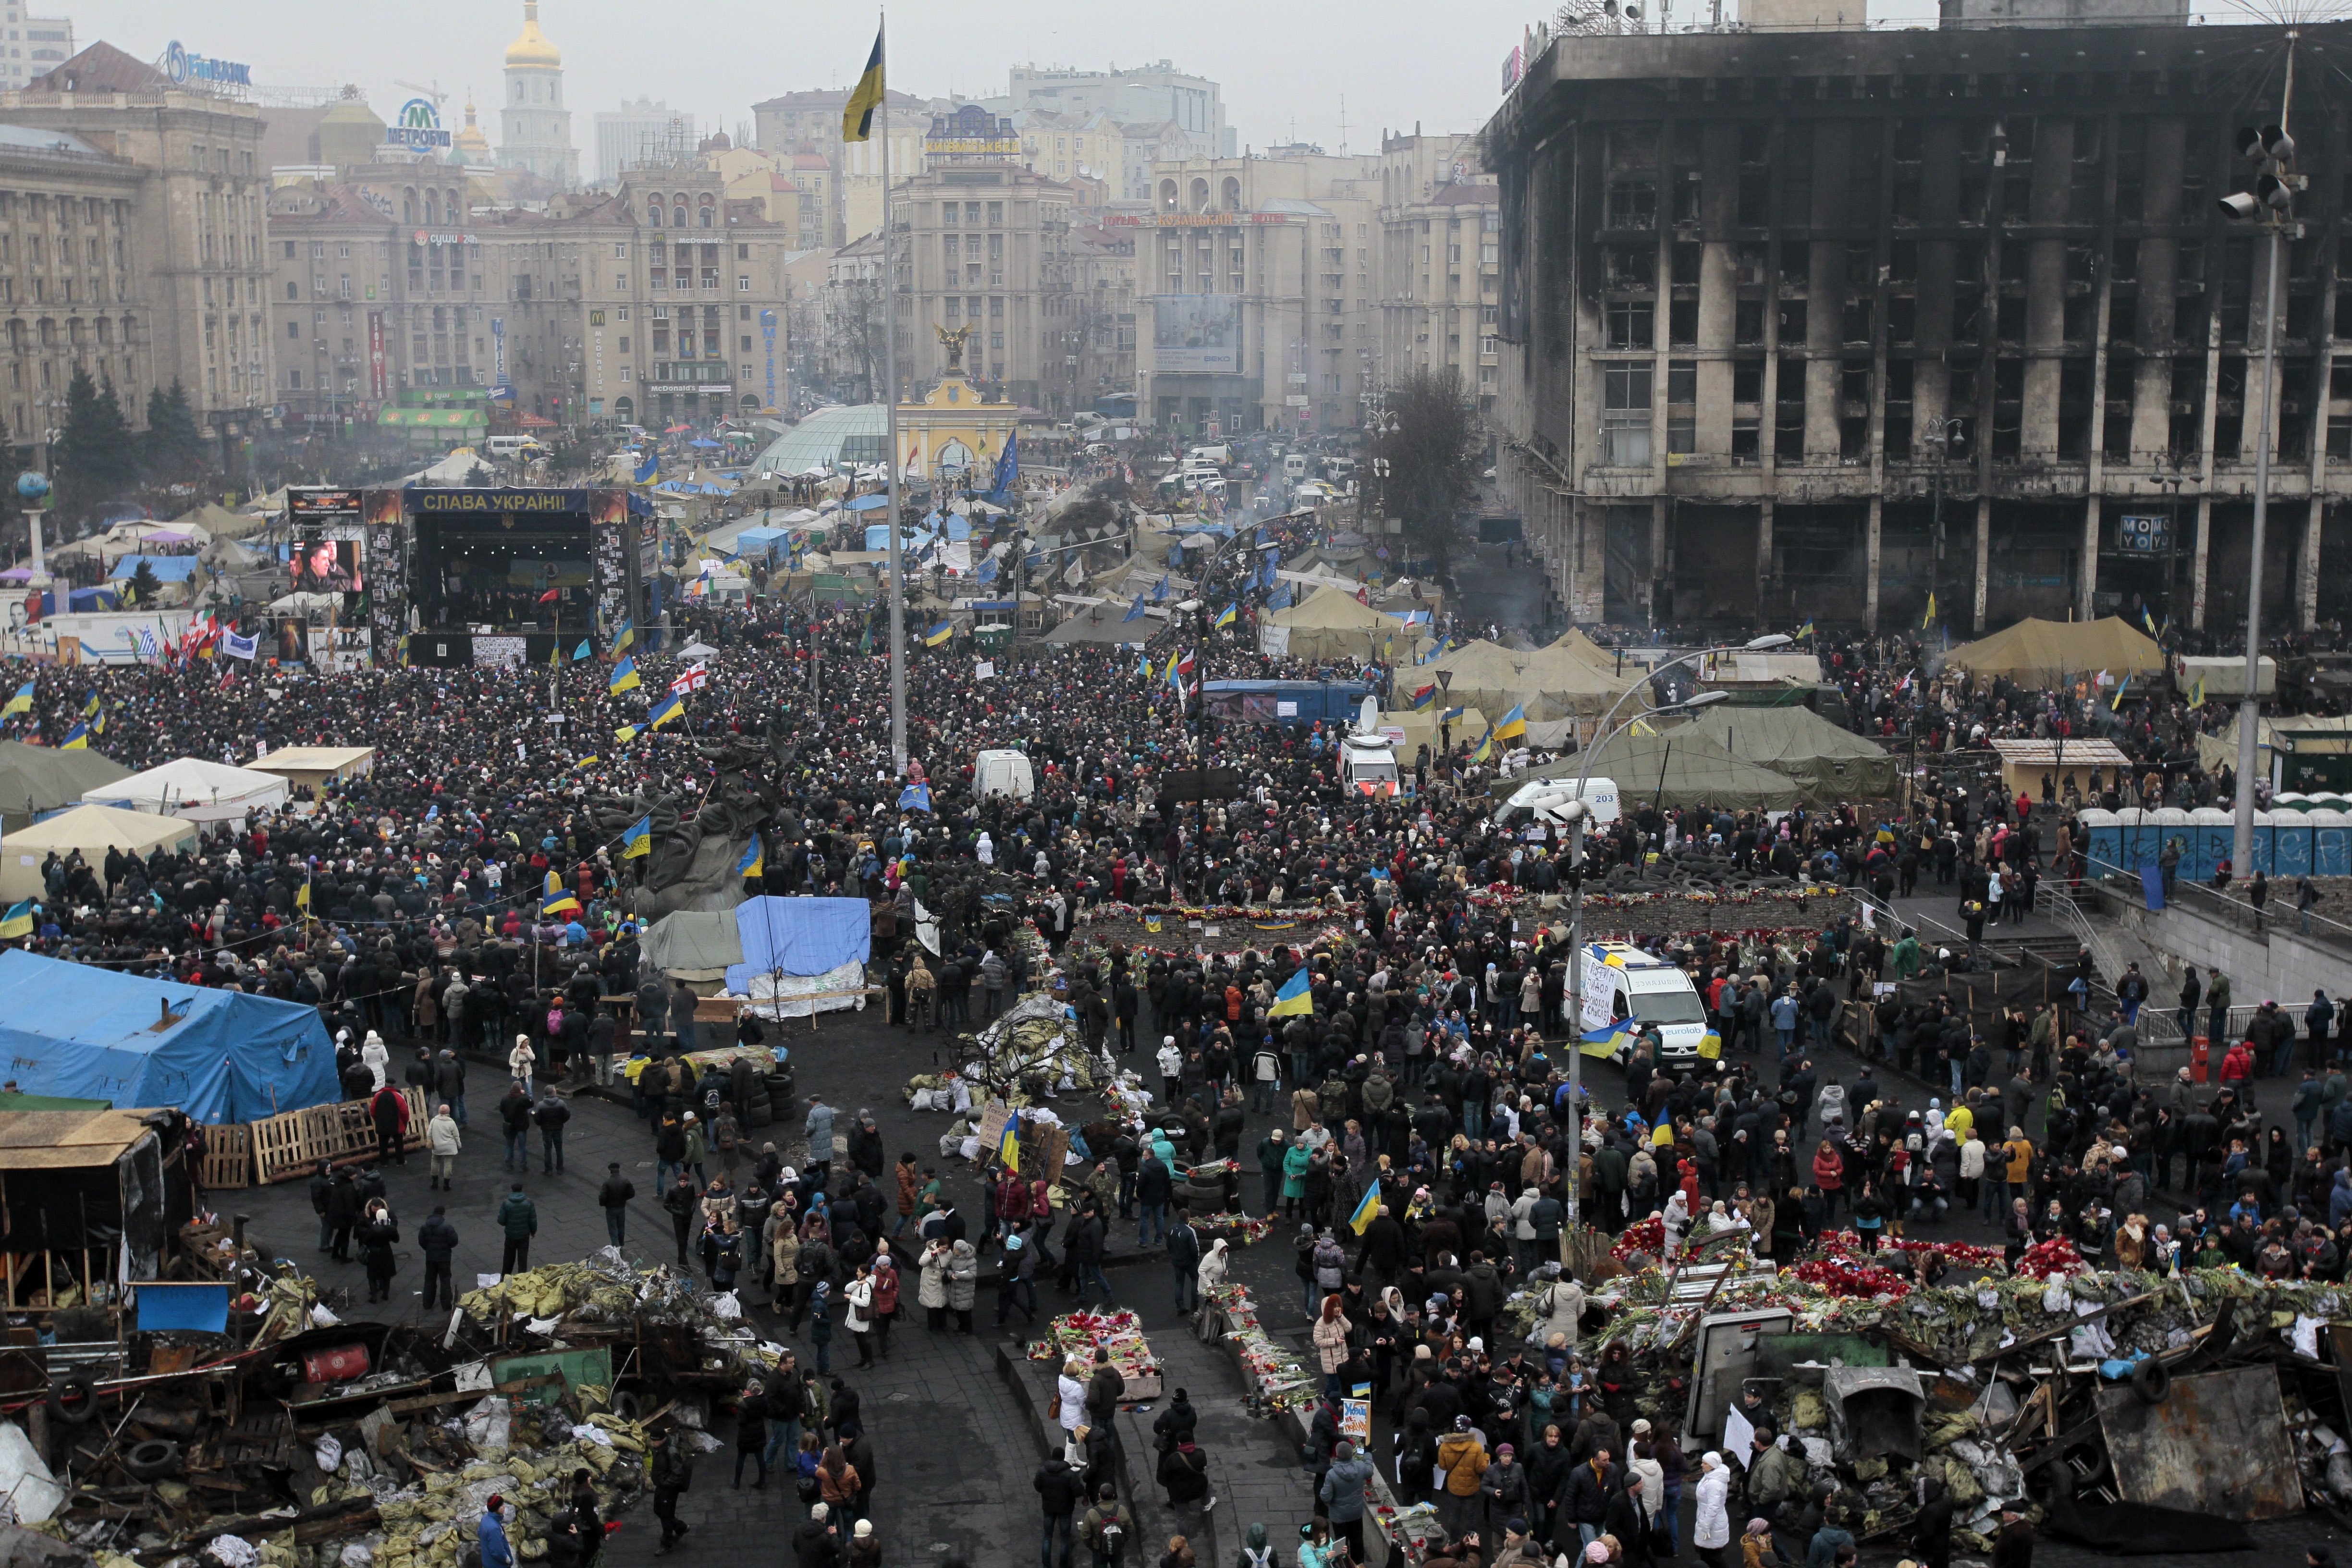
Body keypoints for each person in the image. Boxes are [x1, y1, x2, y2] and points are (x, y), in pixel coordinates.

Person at [1320, 1437, 1374, 1565]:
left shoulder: (1332, 1474)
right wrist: (1368, 1453)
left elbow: (1325, 1497)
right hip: (1356, 1513)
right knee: (1357, 1542)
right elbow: (1370, 1470)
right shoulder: (1360, 1468)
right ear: (1351, 1454)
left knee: (1341, 1545)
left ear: (1338, 1455)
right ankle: (1359, 1564)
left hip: (1339, 1516)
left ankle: (1344, 1564)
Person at [1036, 1452, 1087, 1568]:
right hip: (1065, 1509)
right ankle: (1063, 1565)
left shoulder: (1042, 1471)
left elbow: (1037, 1487)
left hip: (1048, 1508)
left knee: (1047, 1536)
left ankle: (1047, 1565)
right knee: (1065, 1538)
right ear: (1063, 1458)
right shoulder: (1070, 1474)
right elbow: (1078, 1492)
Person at [649, 1432, 694, 1555]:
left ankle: (666, 1543)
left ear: (662, 1440)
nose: (652, 1443)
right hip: (661, 1487)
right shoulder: (659, 1450)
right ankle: (681, 1527)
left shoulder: (671, 1452)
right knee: (658, 1510)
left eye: (654, 1440)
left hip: (668, 1490)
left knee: (666, 1516)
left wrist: (667, 1484)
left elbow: (678, 1473)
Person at [1691, 1451, 1730, 1568]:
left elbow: (1713, 1507)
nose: (1702, 1465)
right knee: (1708, 1555)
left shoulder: (1714, 1483)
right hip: (1710, 1521)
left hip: (1712, 1525)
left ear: (1713, 1465)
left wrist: (1706, 1527)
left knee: (1713, 1557)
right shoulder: (1712, 1476)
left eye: (1705, 1464)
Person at [417, 1204, 458, 1311]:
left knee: (430, 1279)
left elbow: (421, 1241)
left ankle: (427, 1303)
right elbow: (454, 1241)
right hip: (444, 1257)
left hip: (430, 1257)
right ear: (443, 1214)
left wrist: (428, 1248)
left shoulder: (425, 1226)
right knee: (445, 1280)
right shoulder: (447, 1227)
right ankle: (446, 1305)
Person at [496, 1181, 537, 1276]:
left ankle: (505, 1277)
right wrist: (533, 1232)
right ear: (522, 1190)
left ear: (512, 1190)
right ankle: (522, 1278)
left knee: (509, 1257)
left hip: (511, 1235)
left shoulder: (506, 1203)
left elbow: (501, 1221)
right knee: (523, 1258)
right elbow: (533, 1220)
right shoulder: (529, 1203)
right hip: (524, 1235)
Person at [598, 1162, 634, 1248]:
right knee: (621, 1227)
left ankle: (616, 1247)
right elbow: (632, 1193)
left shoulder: (607, 1183)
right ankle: (621, 1244)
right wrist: (624, 1199)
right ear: (619, 1170)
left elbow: (602, 1197)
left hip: (611, 1209)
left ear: (610, 1171)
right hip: (621, 1208)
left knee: (613, 1229)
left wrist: (604, 1204)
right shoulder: (625, 1181)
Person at [427, 1102, 461, 1190]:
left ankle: (435, 1182)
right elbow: (456, 1136)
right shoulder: (451, 1123)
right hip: (449, 1147)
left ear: (439, 1111)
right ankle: (446, 1184)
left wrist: (430, 1142)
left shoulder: (434, 1121)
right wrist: (459, 1145)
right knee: (448, 1163)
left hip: (437, 1146)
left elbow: (429, 1134)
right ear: (448, 1112)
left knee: (435, 1161)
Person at [478, 1496, 514, 1568]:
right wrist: (508, 1560)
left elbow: (479, 1533)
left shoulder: (485, 1518)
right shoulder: (494, 1528)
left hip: (488, 1563)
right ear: (496, 1508)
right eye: (501, 1505)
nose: (504, 1507)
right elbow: (498, 1552)